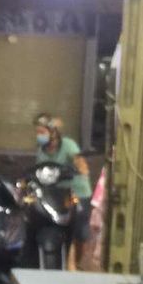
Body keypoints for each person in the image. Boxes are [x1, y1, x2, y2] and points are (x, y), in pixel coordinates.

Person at [34, 113, 92, 268]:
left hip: (77, 193)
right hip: (56, 195)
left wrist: (79, 167)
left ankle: (77, 263)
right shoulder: (41, 151)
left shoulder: (68, 145)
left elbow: (80, 163)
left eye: (42, 132)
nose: (39, 136)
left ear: (53, 132)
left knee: (79, 230)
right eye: (37, 132)